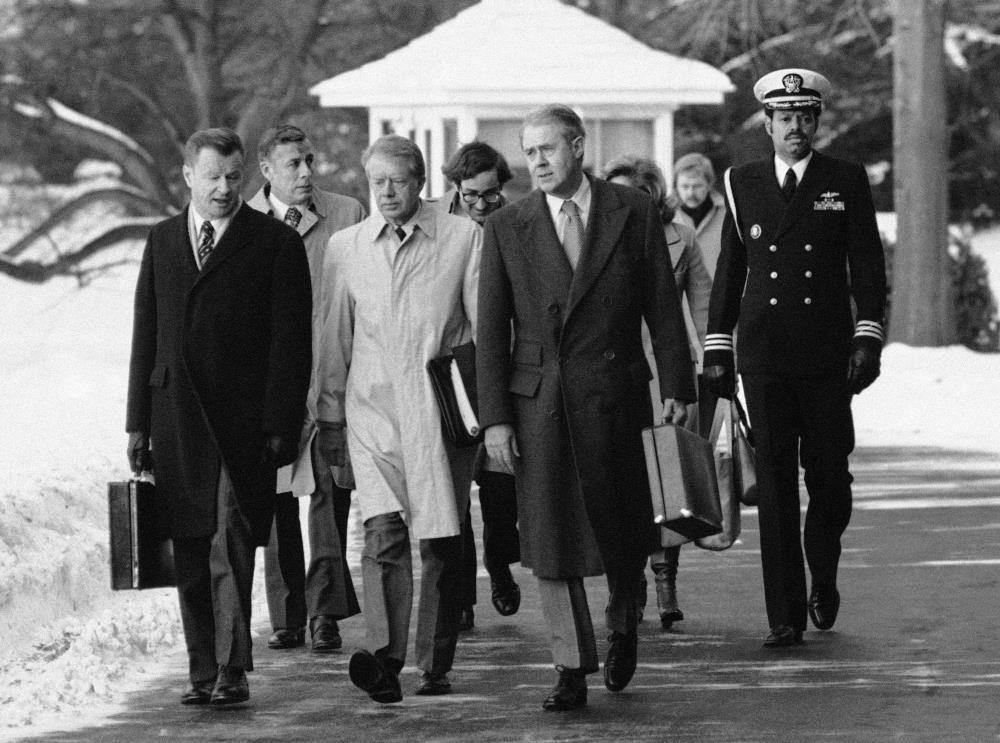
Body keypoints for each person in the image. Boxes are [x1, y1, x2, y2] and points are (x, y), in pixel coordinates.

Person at [477, 105, 695, 711]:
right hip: (539, 402)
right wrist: (494, 416)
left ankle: (624, 618)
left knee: (622, 525)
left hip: (615, 392)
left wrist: (679, 384)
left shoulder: (632, 212)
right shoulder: (507, 227)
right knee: (548, 535)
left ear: (577, 146)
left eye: (549, 149)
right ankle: (570, 666)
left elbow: (662, 305)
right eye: (529, 151)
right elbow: (493, 329)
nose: (537, 162)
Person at [126, 127, 312, 706]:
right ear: (188, 177)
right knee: (190, 543)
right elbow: (145, 333)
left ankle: (231, 667)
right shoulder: (161, 241)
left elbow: (291, 342)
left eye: (235, 178)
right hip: (174, 417)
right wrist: (136, 421)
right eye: (212, 178)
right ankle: (200, 669)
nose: (225, 189)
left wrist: (280, 423)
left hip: (243, 424)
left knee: (230, 541)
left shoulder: (274, 244)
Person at [703, 68, 887, 648]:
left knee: (830, 475)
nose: (796, 128)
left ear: (816, 121)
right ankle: (783, 613)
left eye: (806, 117)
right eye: (786, 118)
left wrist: (867, 337)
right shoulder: (742, 182)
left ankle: (823, 571)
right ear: (767, 123)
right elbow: (730, 273)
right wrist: (717, 348)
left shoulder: (845, 179)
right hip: (765, 352)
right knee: (777, 482)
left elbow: (868, 269)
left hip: (828, 352)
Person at [314, 134, 481, 703]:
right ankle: (385, 660)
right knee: (382, 534)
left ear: (421, 183)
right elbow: (334, 338)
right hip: (373, 412)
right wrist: (331, 418)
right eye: (376, 182)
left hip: (440, 414)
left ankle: (434, 664)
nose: (386, 192)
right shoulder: (346, 247)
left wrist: (489, 415)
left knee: (440, 541)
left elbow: (482, 332)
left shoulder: (462, 239)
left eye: (398, 181)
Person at [247, 124, 365, 654]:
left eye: (308, 161)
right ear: (266, 169)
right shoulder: (243, 223)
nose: (303, 173)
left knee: (326, 498)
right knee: (273, 502)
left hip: (331, 375)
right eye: (291, 164)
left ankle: (325, 613)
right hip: (269, 383)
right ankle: (287, 614)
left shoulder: (346, 215)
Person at [603, 155, 712, 632]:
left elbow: (704, 305)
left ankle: (665, 581)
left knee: (664, 480)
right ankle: (628, 586)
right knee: (621, 484)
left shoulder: (679, 237)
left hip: (664, 372)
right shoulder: (590, 238)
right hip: (610, 372)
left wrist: (714, 365)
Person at [438, 141, 522, 631]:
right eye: (472, 195)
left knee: (498, 485)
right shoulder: (439, 224)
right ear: (456, 188)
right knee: (452, 487)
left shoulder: (514, 223)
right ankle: (462, 594)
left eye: (491, 195)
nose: (481, 205)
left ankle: (499, 564)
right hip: (451, 366)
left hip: (502, 363)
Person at [671, 153, 726, 281]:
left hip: (718, 296)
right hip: (679, 299)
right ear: (676, 185)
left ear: (709, 184)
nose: (690, 193)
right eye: (684, 186)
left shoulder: (728, 215)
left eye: (697, 186)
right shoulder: (665, 218)